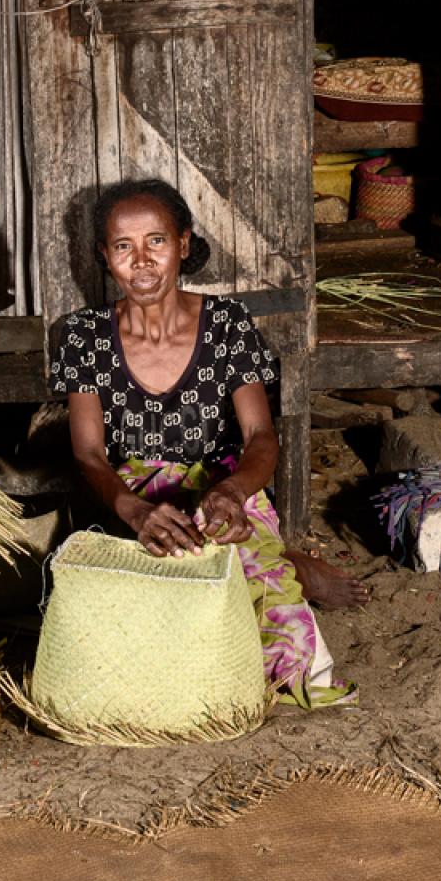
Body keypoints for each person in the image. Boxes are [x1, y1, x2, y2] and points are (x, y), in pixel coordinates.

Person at [51, 179, 369, 706]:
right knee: (147, 615)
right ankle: (292, 564)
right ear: (106, 257)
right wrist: (133, 511)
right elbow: (88, 453)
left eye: (156, 241)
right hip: (132, 495)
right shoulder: (84, 336)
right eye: (124, 247)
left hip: (221, 487)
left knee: (270, 617)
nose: (143, 261)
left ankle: (281, 570)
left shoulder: (226, 324)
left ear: (182, 242)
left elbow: (261, 436)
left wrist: (231, 493)